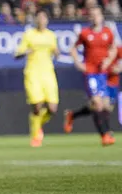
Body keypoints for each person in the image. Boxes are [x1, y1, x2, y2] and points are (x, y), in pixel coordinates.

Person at [65, 8, 118, 147]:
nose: (95, 18)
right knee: (98, 103)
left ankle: (73, 115)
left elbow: (113, 49)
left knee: (106, 106)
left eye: (97, 15)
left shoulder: (107, 33)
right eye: (92, 15)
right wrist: (78, 63)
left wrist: (108, 60)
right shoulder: (85, 33)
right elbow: (73, 48)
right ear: (90, 18)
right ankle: (105, 135)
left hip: (102, 73)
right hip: (90, 73)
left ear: (101, 17)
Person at [14, 9, 59, 148]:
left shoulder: (51, 35)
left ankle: (37, 125)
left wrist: (57, 52)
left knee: (52, 108)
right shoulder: (29, 34)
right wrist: (25, 51)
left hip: (48, 73)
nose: (41, 21)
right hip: (33, 73)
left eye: (43, 18)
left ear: (47, 20)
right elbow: (17, 54)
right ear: (35, 20)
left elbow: (55, 51)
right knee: (37, 106)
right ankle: (36, 136)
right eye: (39, 18)